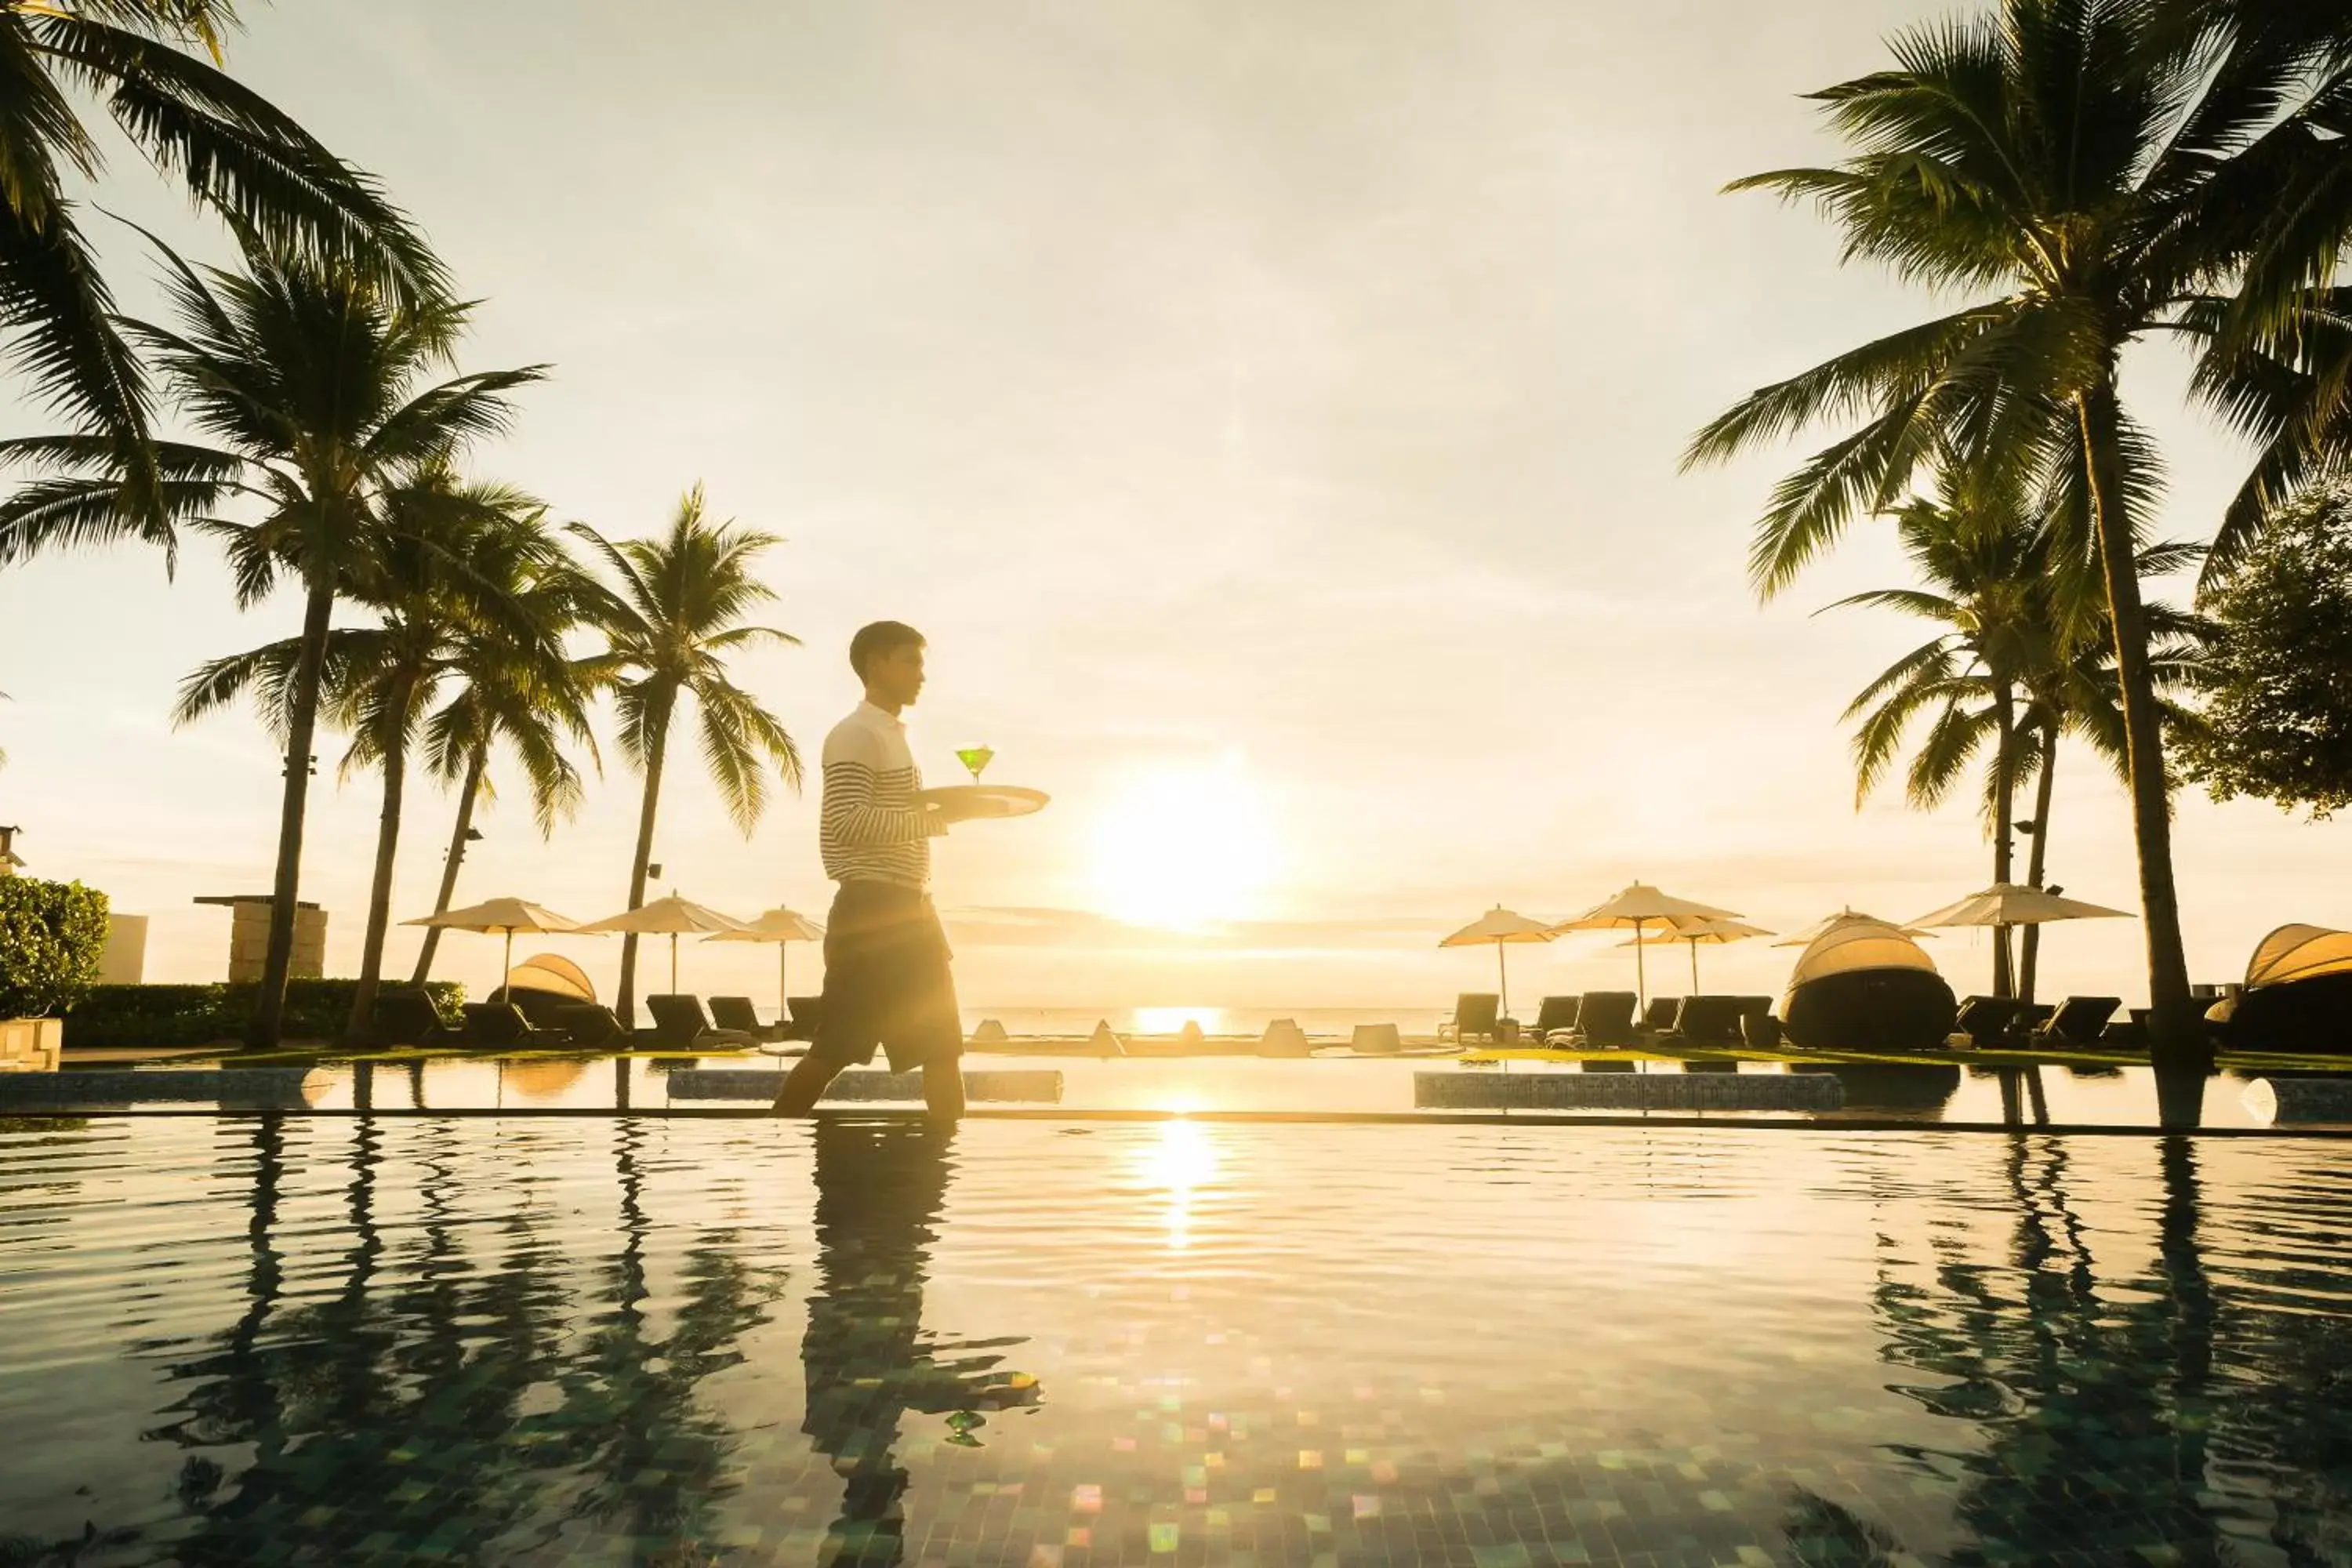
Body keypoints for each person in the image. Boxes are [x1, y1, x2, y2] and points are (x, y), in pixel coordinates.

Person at [773, 621, 982, 1118]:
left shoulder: (893, 736)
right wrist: (936, 819)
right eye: (911, 661)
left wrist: (938, 818)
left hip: (913, 909)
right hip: (872, 910)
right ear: (876, 664)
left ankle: (942, 1179)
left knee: (942, 1048)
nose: (921, 675)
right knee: (835, 1048)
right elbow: (847, 823)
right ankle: (775, 1139)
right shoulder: (855, 734)